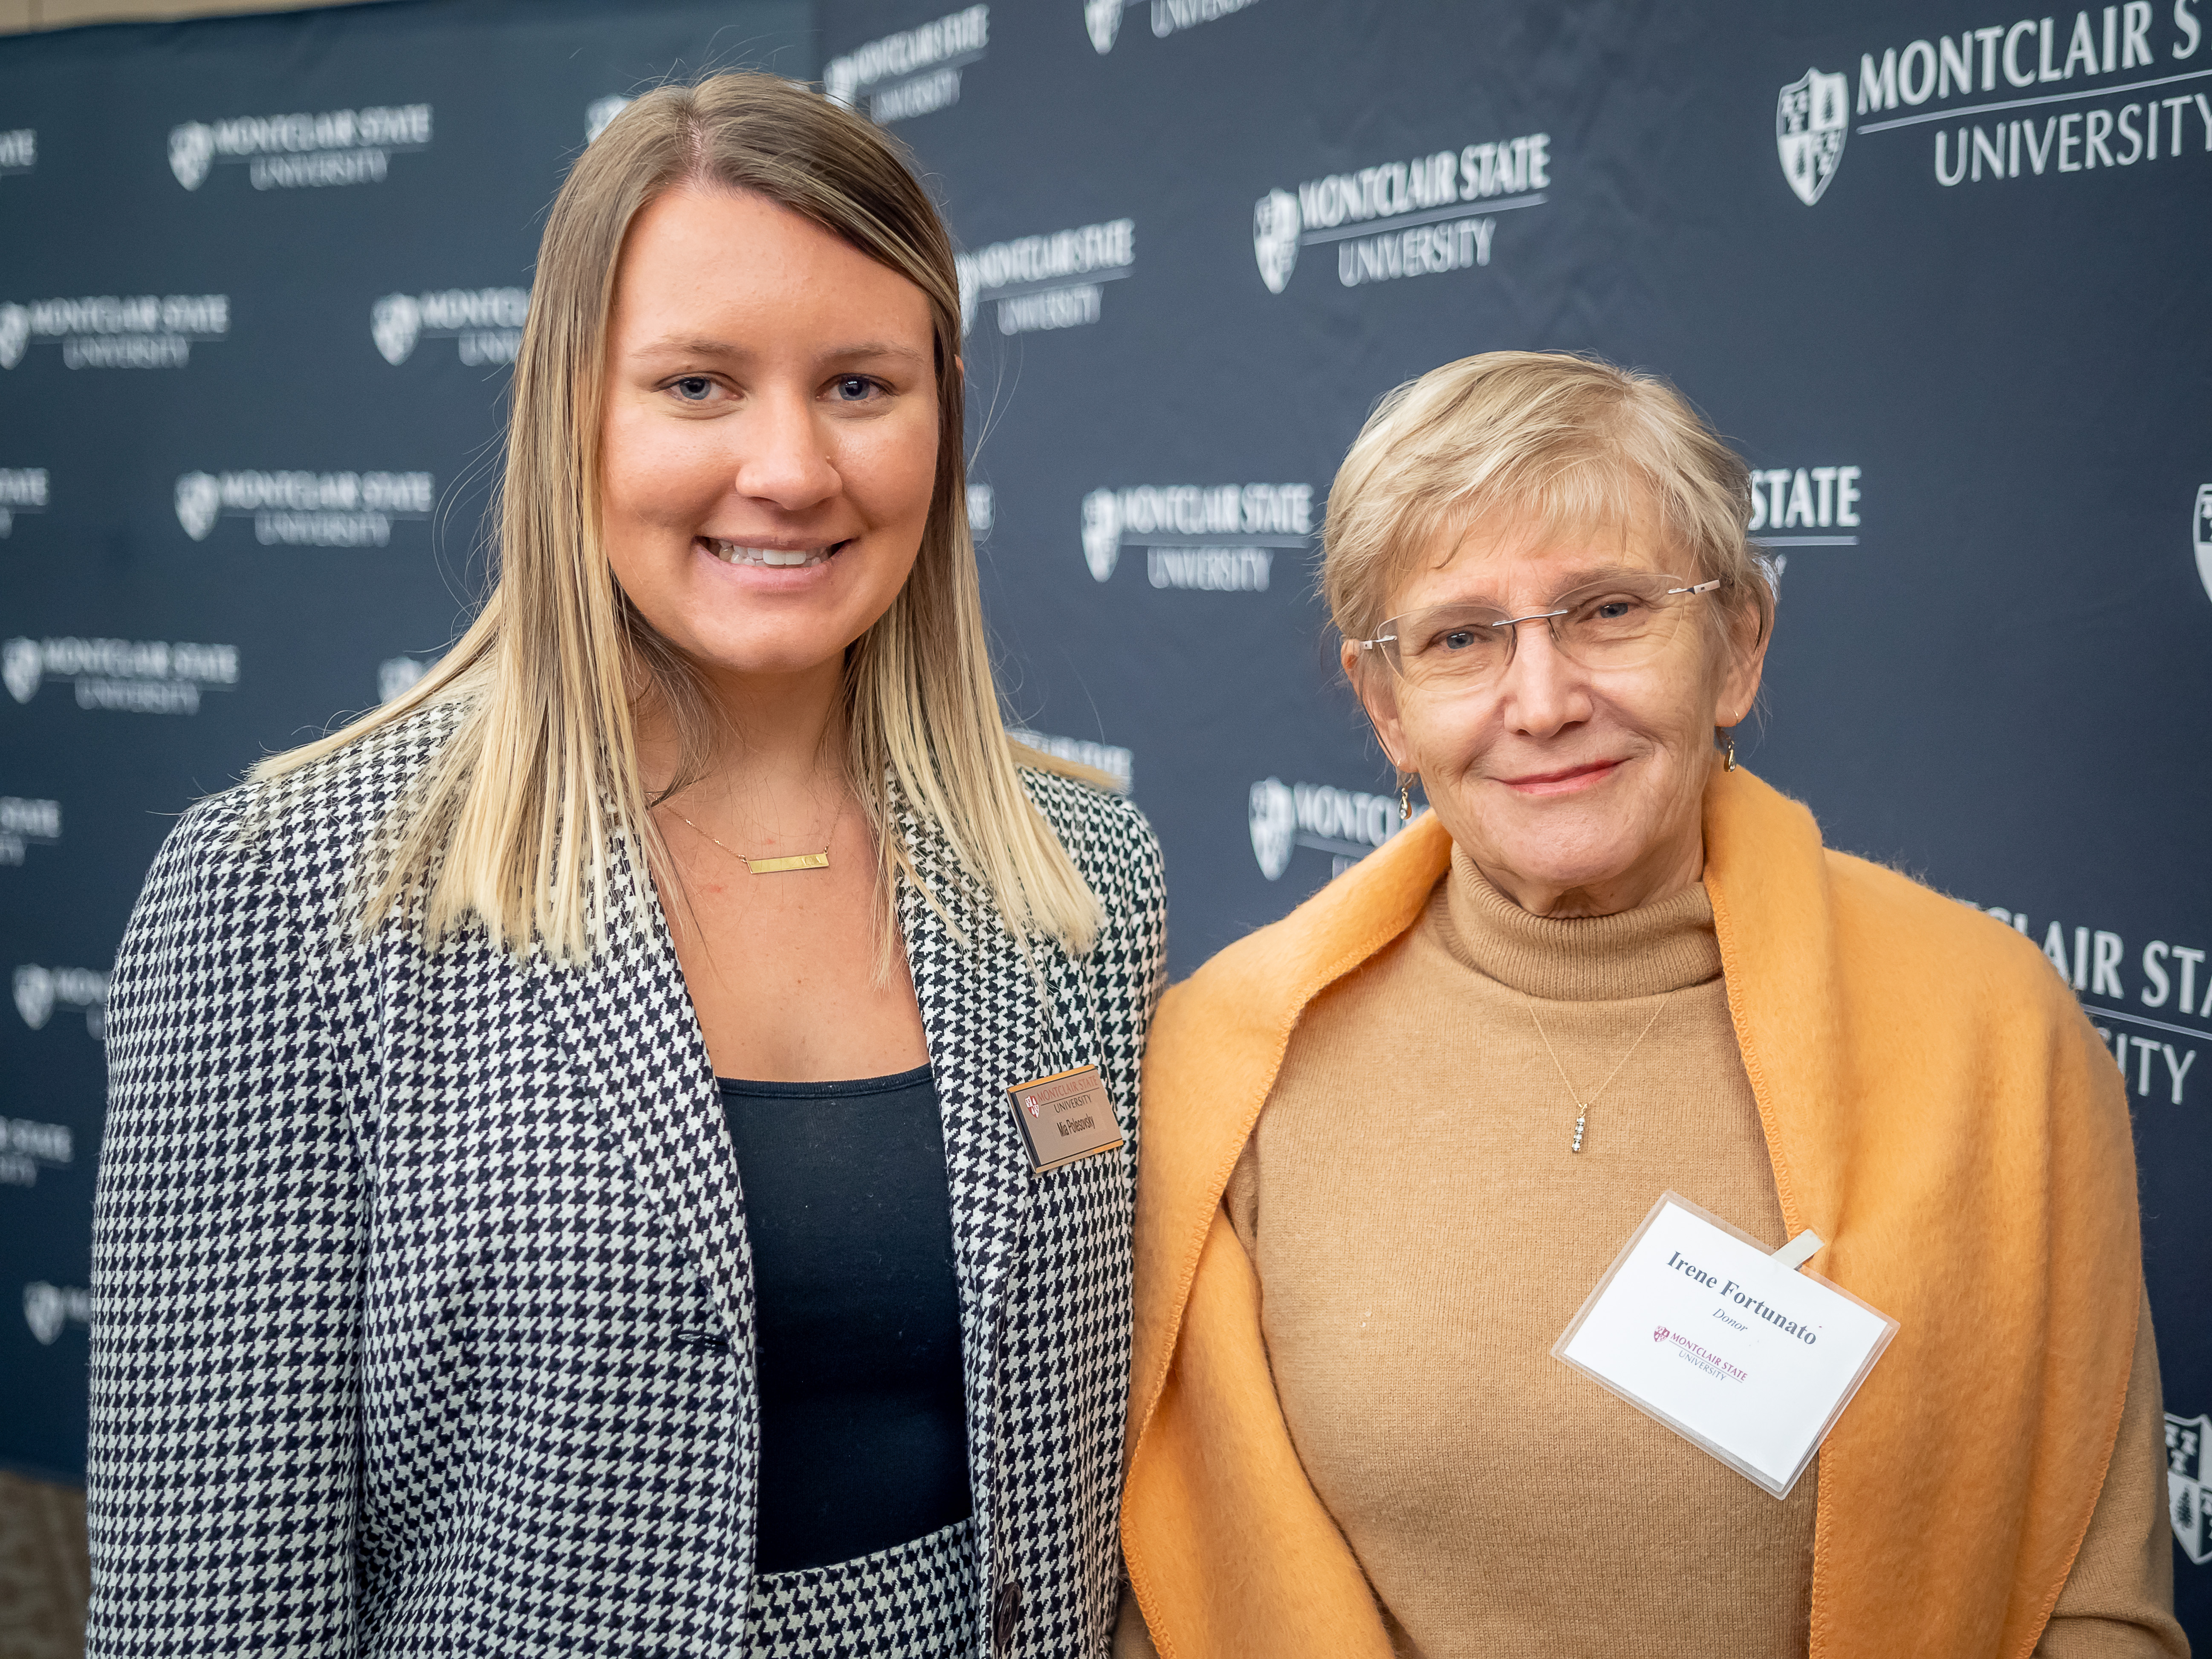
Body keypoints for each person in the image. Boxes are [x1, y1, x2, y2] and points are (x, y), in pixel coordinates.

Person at [90, 73, 1164, 1658]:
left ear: (942, 413)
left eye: (861, 385)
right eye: (699, 385)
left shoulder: (1085, 874)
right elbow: (216, 1602)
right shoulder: (299, 890)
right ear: (571, 409)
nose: (792, 467)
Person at [1116, 353, 2183, 1657]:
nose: (1546, 700)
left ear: (1736, 647)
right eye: (1461, 638)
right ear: (1387, 706)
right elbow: (1176, 1591)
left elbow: (2093, 1603)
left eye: (1610, 609)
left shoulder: (1991, 1032)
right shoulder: (1234, 1065)